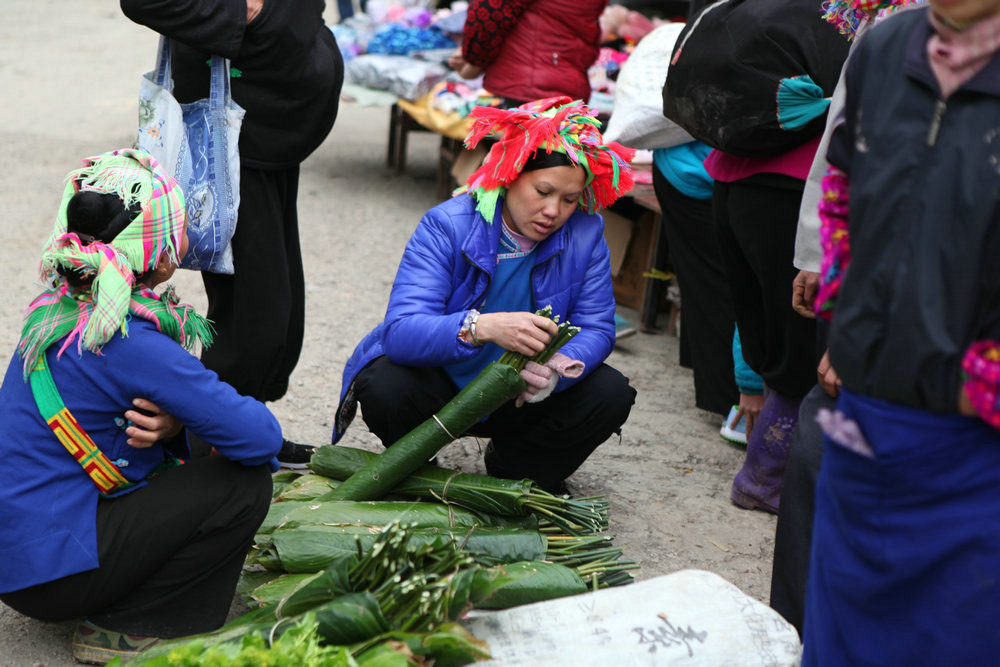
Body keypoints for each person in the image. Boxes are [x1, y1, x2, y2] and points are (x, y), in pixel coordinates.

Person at [0, 150, 281, 665]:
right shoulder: (127, 336)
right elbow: (260, 438)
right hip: (49, 581)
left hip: (20, 560)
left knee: (191, 436)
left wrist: (175, 425)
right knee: (243, 485)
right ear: (164, 253)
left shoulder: (58, 305)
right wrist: (189, 420)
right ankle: (129, 624)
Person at [801, 0, 1000, 660]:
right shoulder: (886, 49)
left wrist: (976, 384)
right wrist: (847, 313)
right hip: (866, 414)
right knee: (843, 631)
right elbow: (841, 190)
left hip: (977, 446)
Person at [332, 97, 637, 493]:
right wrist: (480, 327)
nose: (553, 211)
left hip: (522, 393)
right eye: (542, 191)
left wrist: (556, 369)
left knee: (610, 393)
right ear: (510, 175)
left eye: (568, 199)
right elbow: (401, 331)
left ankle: (516, 467)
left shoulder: (586, 233)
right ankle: (420, 462)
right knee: (385, 384)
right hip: (442, 385)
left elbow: (596, 326)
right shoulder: (448, 225)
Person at [121, 0, 345, 466]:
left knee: (277, 301)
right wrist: (253, 12)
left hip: (271, 119)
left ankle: (241, 422)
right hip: (233, 123)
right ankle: (213, 438)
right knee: (254, 308)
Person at [447, 0, 608, 108]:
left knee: (525, 154)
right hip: (566, 81)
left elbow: (488, 11)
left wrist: (474, 59)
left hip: (527, 85)